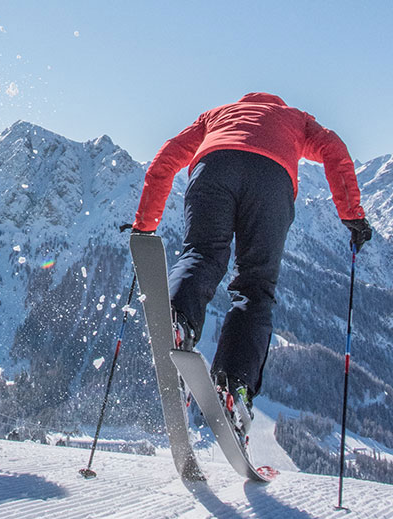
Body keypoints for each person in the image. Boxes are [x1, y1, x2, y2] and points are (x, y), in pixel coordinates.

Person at [131, 92, 372, 437]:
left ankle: (177, 318)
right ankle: (235, 386)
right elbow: (334, 150)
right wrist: (352, 215)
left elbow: (166, 158)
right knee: (255, 287)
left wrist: (145, 224)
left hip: (212, 168)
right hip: (271, 181)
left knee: (201, 253)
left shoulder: (217, 115)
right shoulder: (297, 119)